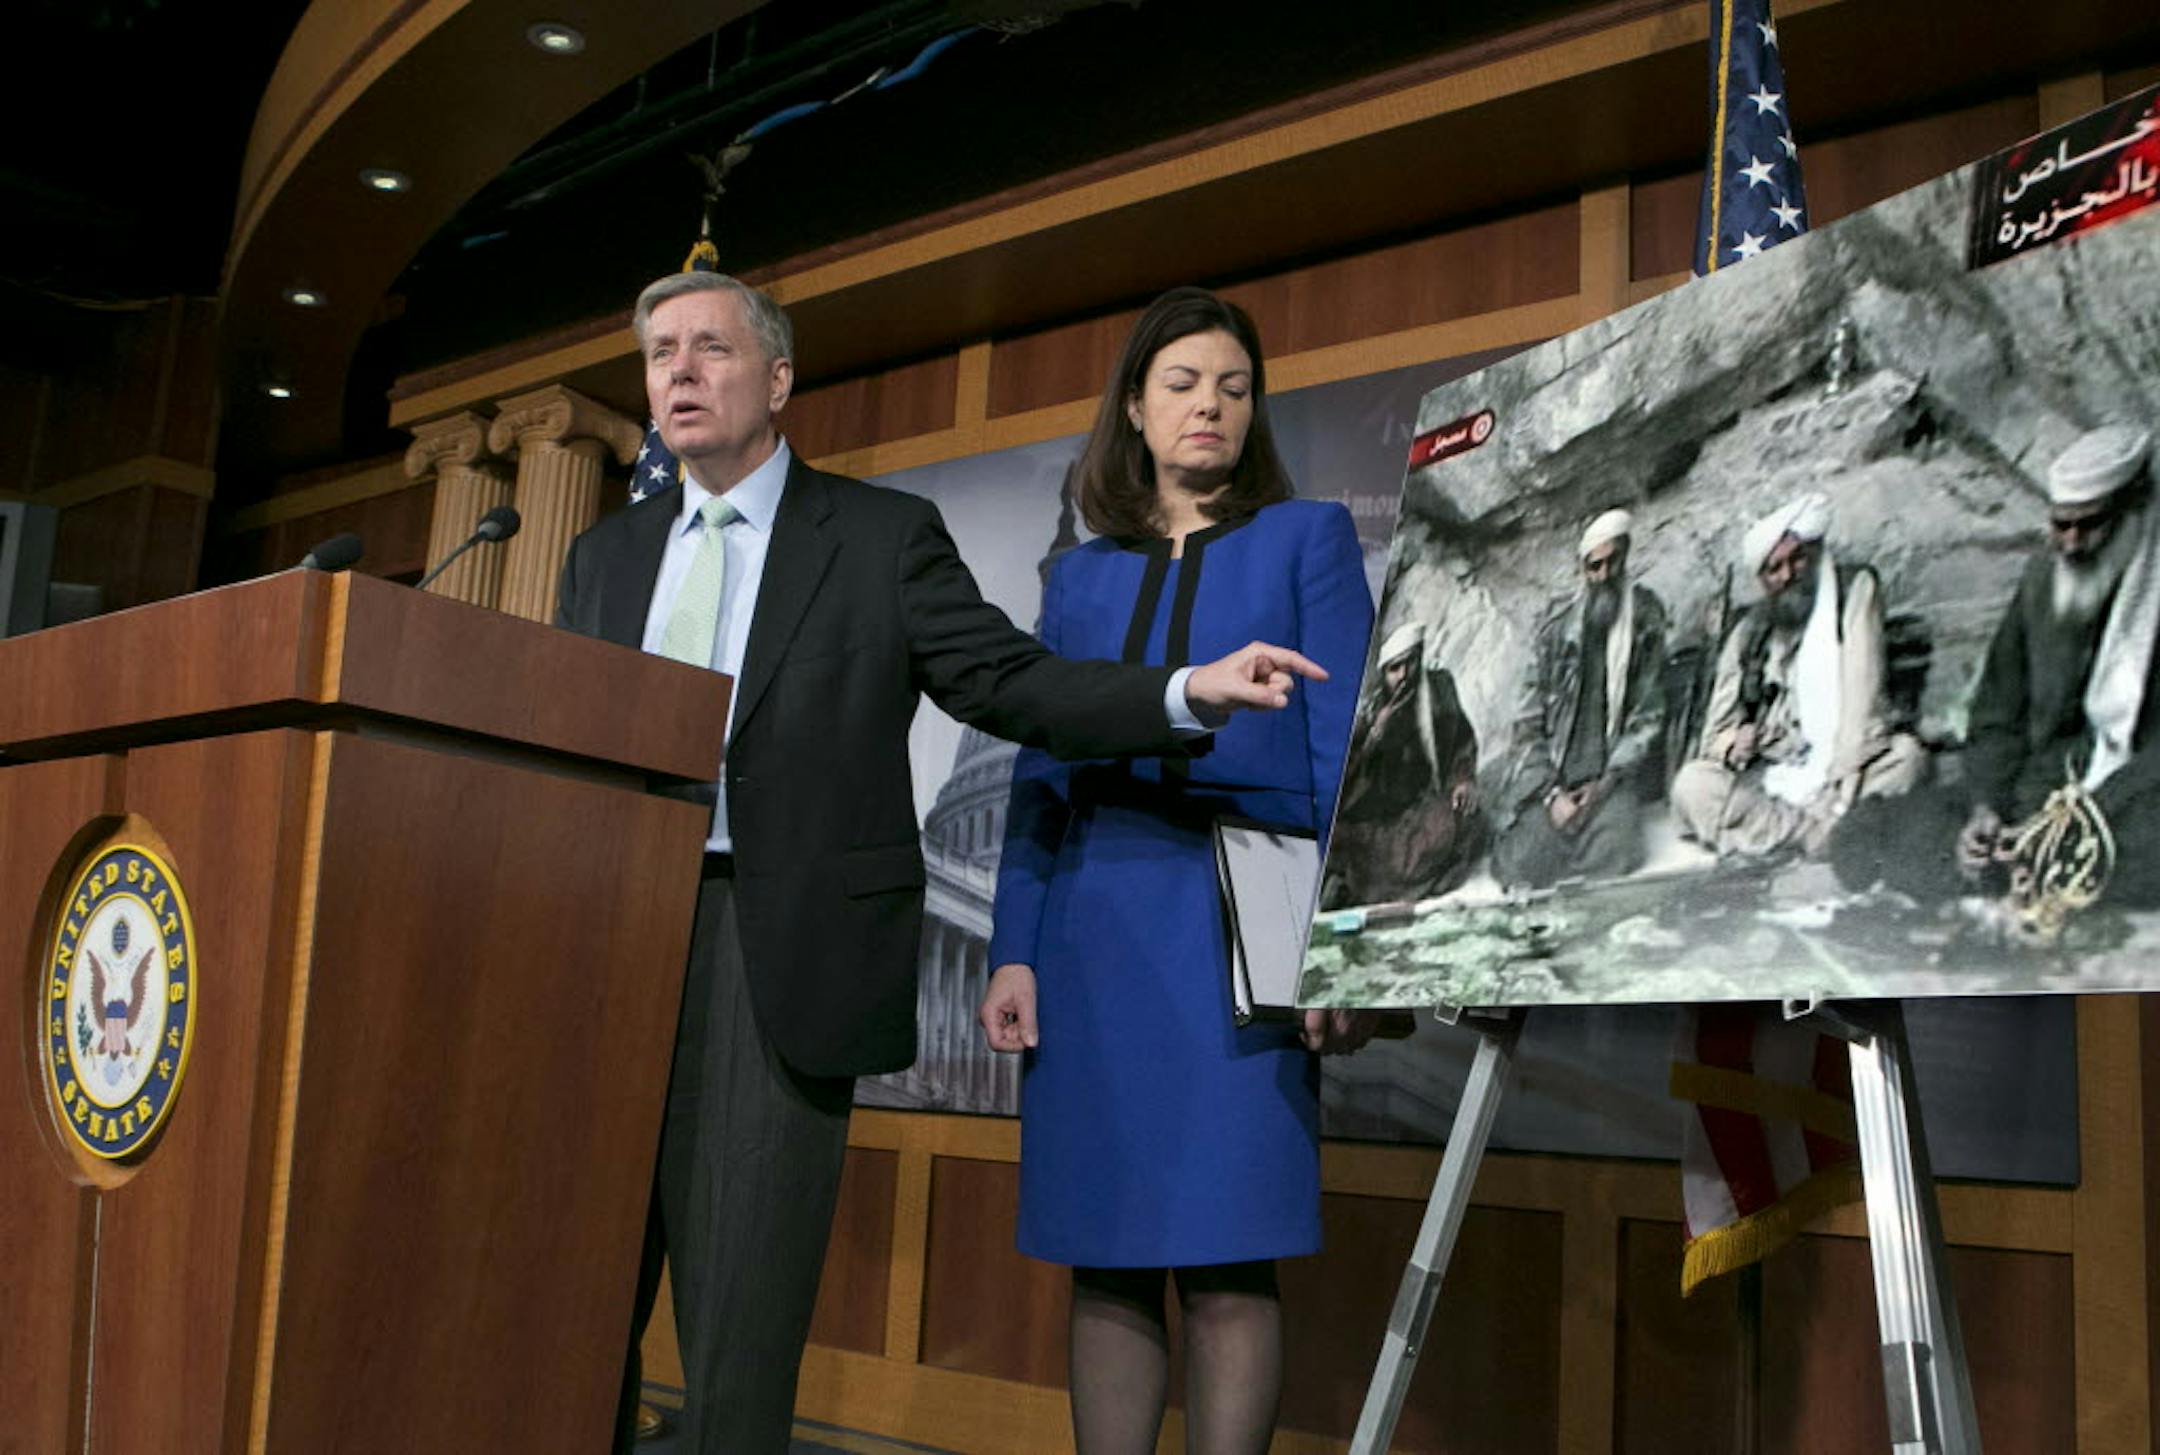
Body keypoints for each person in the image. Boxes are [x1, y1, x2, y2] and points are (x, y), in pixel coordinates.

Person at [553, 271, 1328, 1455]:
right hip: (609, 940)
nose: (680, 373)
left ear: (777, 378)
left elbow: (1014, 693)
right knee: (571, 1288)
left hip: (784, 947)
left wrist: (1182, 694)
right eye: (661, 352)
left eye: (711, 348)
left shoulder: (875, 538)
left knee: (739, 1322)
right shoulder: (600, 559)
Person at [973, 287, 1374, 1455]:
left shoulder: (1310, 539)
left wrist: (1343, 947)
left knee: (1228, 1258)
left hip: (1242, 933)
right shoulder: (1078, 578)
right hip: (1095, 935)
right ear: (1136, 410)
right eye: (1185, 384)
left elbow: (1346, 753)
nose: (1211, 406)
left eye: (1235, 388)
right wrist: (1014, 944)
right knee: (1105, 1257)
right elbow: (1039, 775)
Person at [1836, 425, 2160, 914]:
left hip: (2135, 798)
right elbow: (1997, 711)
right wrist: (1987, 807)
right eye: (2060, 526)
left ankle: (2037, 869)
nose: (2071, 544)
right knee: (1880, 827)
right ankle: (2014, 863)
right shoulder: (2043, 580)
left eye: (2091, 526)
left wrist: (2081, 820)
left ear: (2136, 512)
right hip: (2042, 790)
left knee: (2124, 853)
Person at [1670, 492, 1924, 859]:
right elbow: (1715, 737)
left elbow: (1861, 706)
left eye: (1797, 559)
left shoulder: (1853, 592)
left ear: (1814, 555)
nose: (1788, 575)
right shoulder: (1749, 633)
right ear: (1761, 578)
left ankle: (1794, 836)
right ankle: (1819, 836)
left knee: (1908, 759)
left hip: (1847, 768)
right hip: (1777, 775)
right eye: (1774, 569)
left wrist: (1840, 794)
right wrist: (1734, 741)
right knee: (1692, 785)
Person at [1491, 508, 1669, 888]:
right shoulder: (1556, 633)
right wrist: (1552, 795)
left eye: (1613, 562)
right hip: (1552, 779)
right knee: (1520, 864)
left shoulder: (1646, 619)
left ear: (1626, 557)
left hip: (1608, 780)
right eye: (1595, 566)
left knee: (1620, 850)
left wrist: (1604, 785)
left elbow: (1647, 717)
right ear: (1583, 570)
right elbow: (1527, 727)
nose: (1604, 576)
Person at [1323, 620, 1487, 905]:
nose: (1403, 676)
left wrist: (1462, 780)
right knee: (1339, 841)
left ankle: (1379, 885)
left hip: (1422, 812)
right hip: (1375, 822)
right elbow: (1342, 787)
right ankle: (1360, 884)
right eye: (1394, 669)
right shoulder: (1369, 711)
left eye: (1409, 664)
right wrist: (1375, 736)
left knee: (1471, 819)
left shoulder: (1439, 690)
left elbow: (1461, 741)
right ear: (1383, 673)